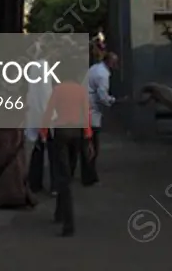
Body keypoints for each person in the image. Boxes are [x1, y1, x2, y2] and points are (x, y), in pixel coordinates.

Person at [40, 70, 94, 237]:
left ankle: (67, 222)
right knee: (68, 172)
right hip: (77, 134)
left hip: (61, 133)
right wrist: (88, 137)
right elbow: (86, 114)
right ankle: (59, 212)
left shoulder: (57, 90)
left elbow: (48, 112)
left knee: (63, 177)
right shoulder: (80, 91)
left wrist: (43, 132)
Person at [85, 51, 119, 181]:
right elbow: (103, 96)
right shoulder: (103, 75)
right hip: (92, 110)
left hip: (87, 107)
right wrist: (113, 100)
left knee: (88, 142)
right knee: (93, 144)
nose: (116, 65)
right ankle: (90, 174)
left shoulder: (95, 68)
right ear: (109, 62)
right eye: (114, 62)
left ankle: (87, 172)